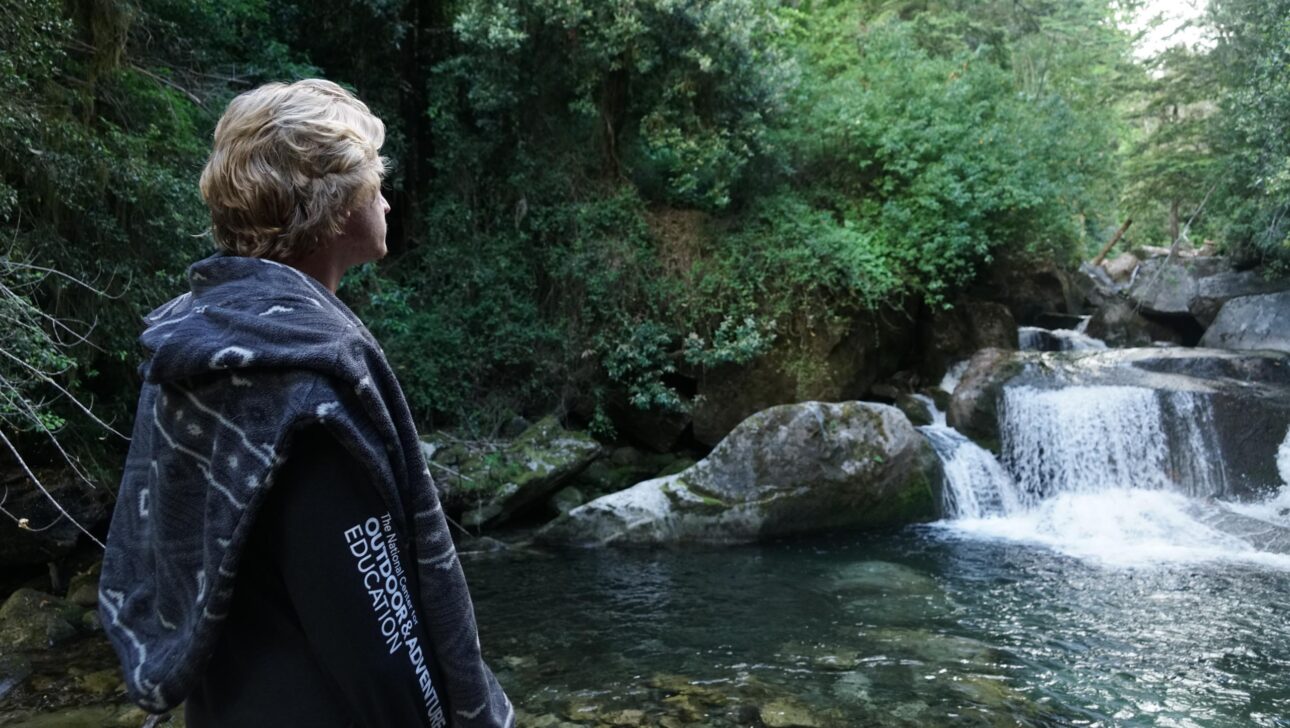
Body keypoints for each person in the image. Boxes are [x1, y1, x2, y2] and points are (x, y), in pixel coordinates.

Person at [98, 80, 514, 728]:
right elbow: (379, 645)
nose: (384, 196)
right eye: (374, 181)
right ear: (336, 203)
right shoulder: (305, 382)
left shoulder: (195, 343)